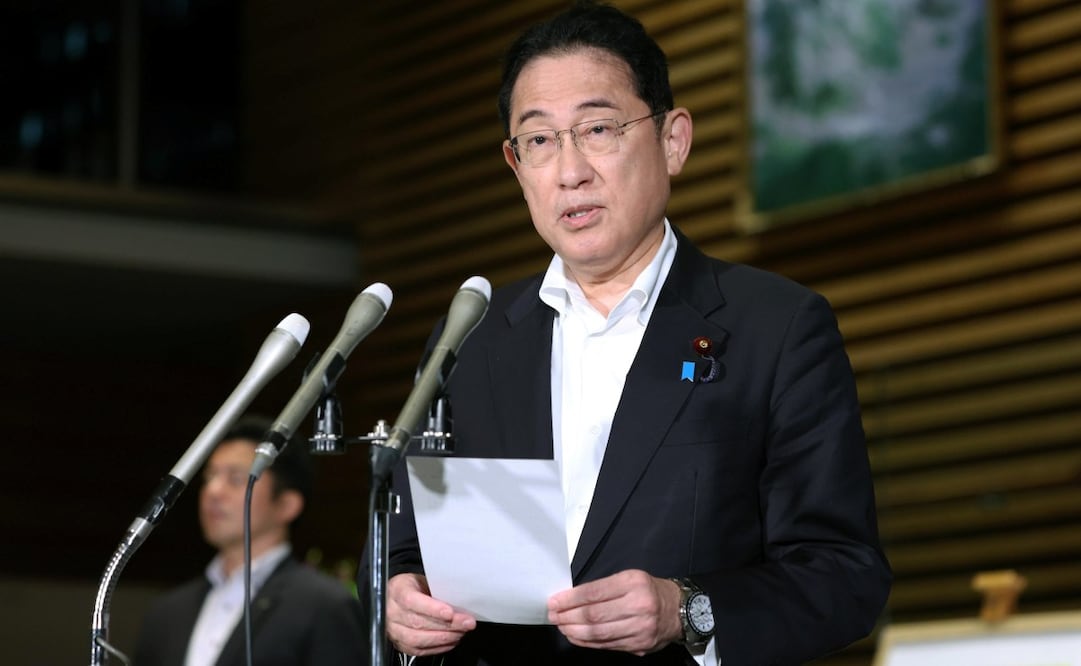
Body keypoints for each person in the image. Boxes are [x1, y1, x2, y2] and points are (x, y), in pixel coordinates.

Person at [372, 2, 891, 664]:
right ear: (515, 164)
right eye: (538, 140)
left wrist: (688, 609)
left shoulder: (776, 327)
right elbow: (402, 548)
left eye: (596, 129)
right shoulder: (470, 338)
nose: (569, 171)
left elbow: (844, 576)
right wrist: (401, 597)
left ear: (672, 140)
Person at [134, 416, 366, 666]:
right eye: (209, 477)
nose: (213, 492)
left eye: (235, 479)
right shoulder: (167, 612)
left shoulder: (325, 606)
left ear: (287, 504)